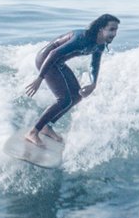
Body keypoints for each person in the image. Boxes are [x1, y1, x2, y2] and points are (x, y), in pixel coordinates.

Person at [24, 14, 120, 142]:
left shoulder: (100, 45)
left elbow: (94, 64)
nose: (114, 33)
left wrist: (93, 84)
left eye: (116, 30)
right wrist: (40, 78)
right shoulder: (82, 38)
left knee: (76, 96)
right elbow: (53, 53)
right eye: (111, 29)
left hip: (58, 63)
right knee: (64, 99)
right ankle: (33, 131)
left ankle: (47, 127)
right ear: (101, 29)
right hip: (46, 60)